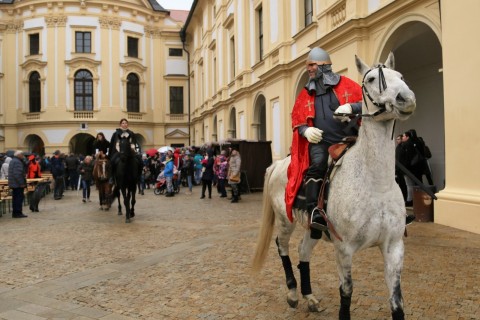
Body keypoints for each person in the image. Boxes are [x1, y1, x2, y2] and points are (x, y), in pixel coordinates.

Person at [285, 47, 363, 236]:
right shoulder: (305, 93)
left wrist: (351, 106)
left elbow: (366, 103)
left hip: (349, 139)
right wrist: (305, 130)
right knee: (317, 164)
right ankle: (315, 212)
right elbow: (296, 119)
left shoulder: (347, 85)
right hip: (321, 142)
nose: (309, 69)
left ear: (324, 65)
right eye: (308, 65)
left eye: (312, 65)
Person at [8, 150, 28, 218]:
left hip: (14, 183)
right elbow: (17, 174)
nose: (23, 156)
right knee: (18, 198)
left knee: (16, 198)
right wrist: (21, 183)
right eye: (22, 155)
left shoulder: (13, 160)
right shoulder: (17, 162)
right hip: (17, 184)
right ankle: (18, 213)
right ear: (19, 155)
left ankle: (16, 212)